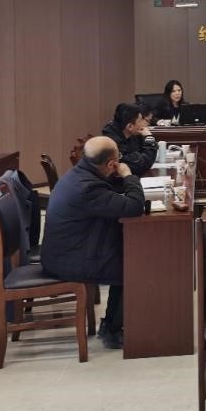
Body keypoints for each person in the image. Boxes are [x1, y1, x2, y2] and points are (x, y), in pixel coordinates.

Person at [41, 136, 145, 350]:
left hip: (65, 248)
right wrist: (128, 176)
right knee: (132, 264)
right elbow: (134, 206)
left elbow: (109, 190)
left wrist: (121, 179)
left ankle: (113, 324)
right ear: (111, 164)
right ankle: (113, 331)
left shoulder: (81, 172)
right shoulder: (87, 187)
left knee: (126, 253)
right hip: (68, 259)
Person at [102, 103, 158, 176]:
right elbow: (143, 164)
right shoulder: (113, 144)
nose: (145, 124)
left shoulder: (129, 134)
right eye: (140, 120)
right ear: (130, 126)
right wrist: (149, 138)